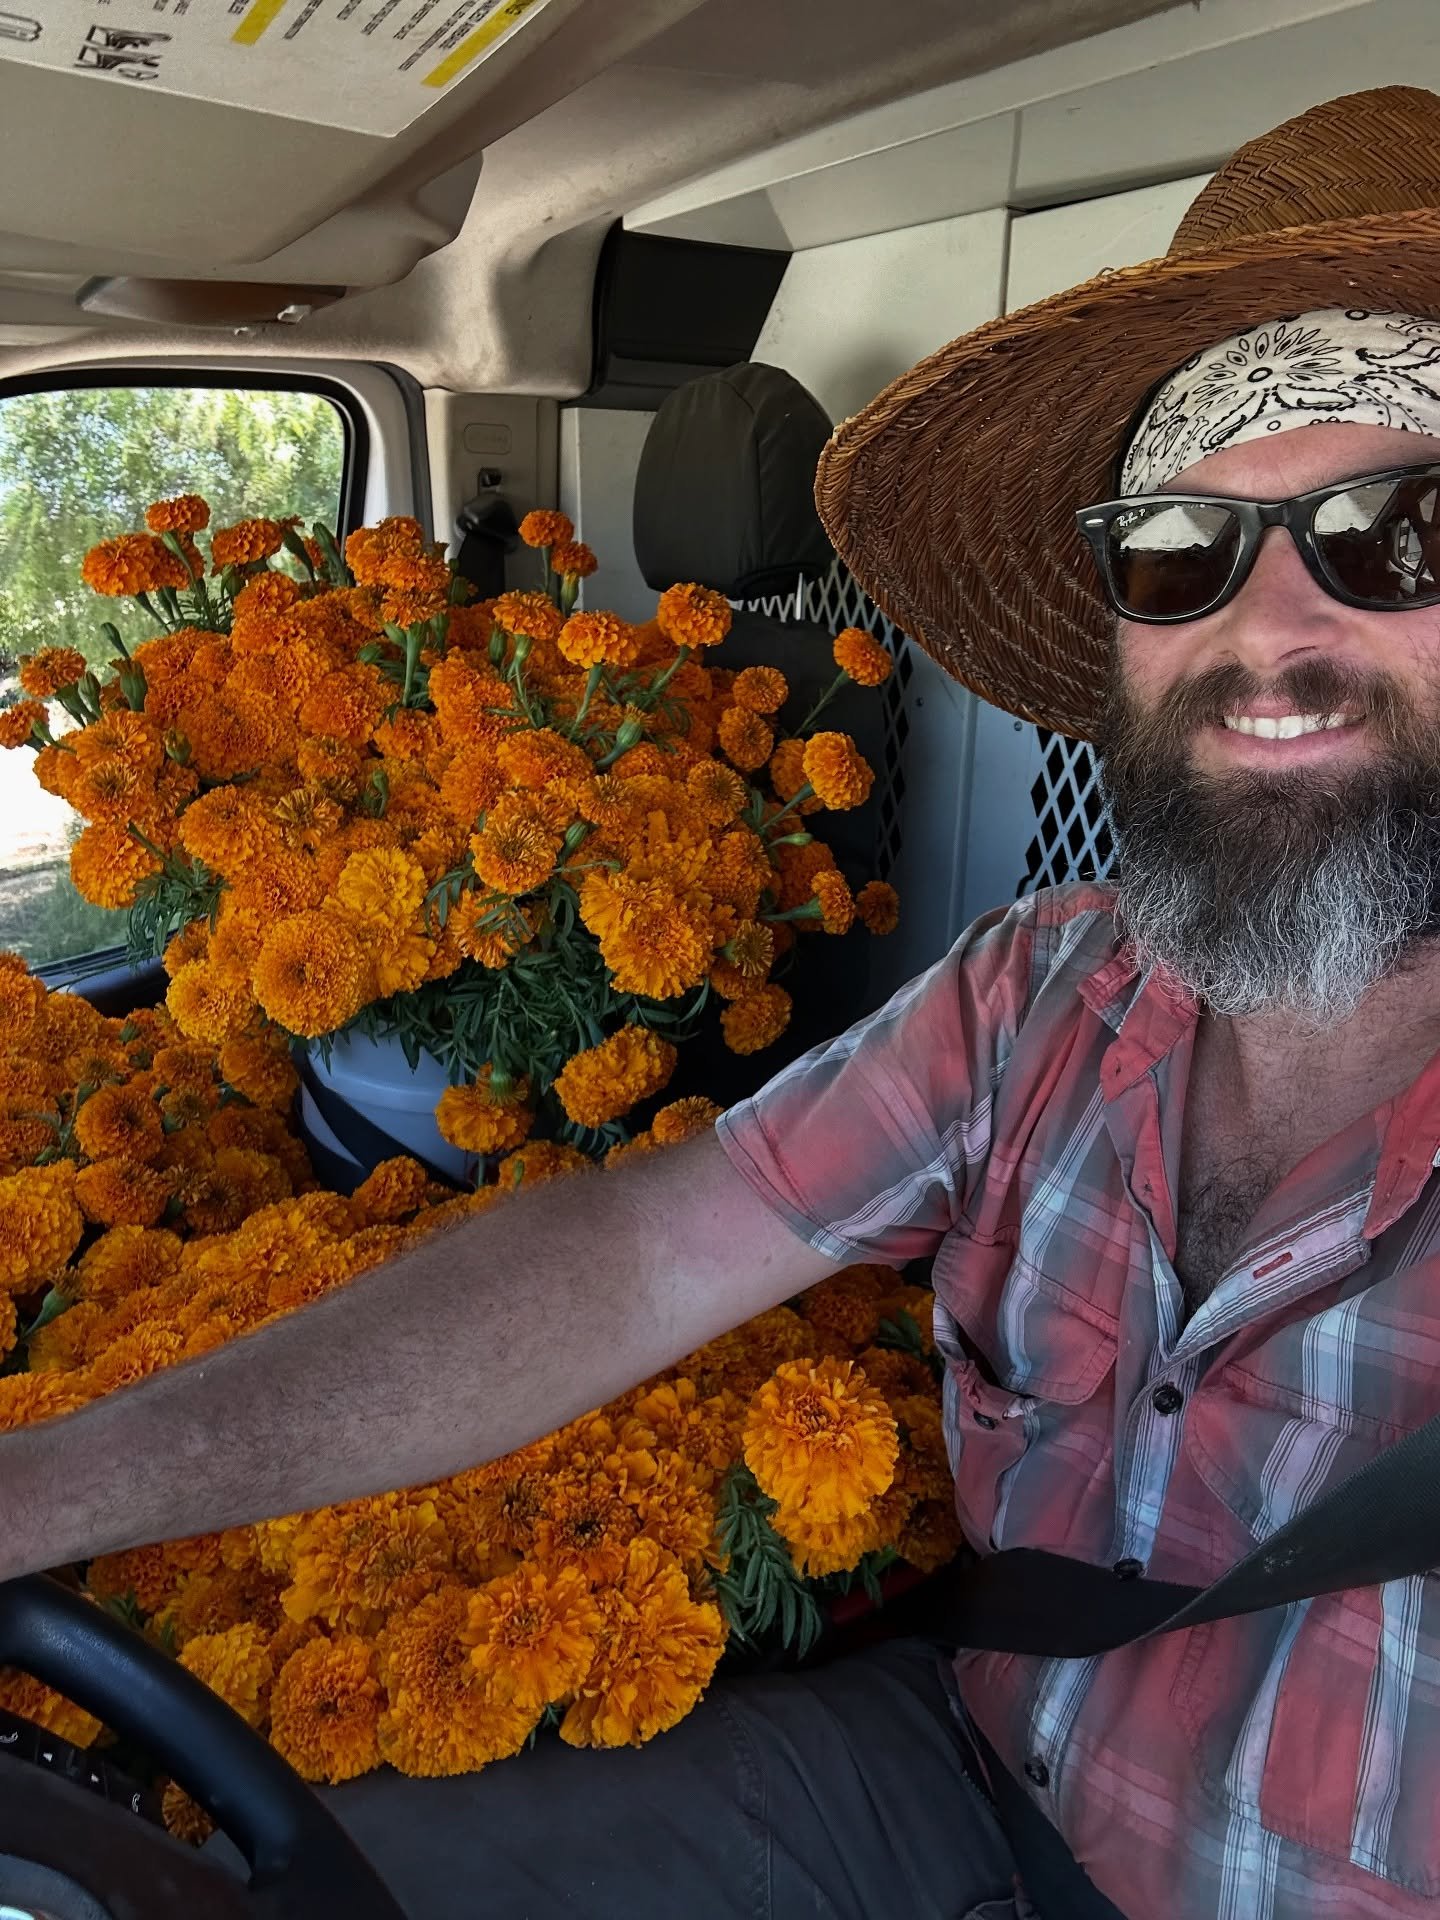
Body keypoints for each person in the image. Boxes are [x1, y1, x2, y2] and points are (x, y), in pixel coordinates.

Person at [7, 80, 1440, 1920]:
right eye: (1181, 547)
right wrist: (40, 1490)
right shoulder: (1042, 989)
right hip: (952, 1778)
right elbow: (630, 1257)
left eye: (1393, 531)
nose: (1270, 637)